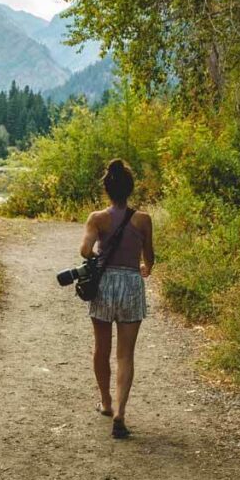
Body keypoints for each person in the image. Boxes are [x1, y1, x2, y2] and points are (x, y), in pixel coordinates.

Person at [79, 159, 155, 439]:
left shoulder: (97, 218)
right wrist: (145, 267)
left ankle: (106, 403)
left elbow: (85, 250)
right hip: (131, 285)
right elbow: (150, 258)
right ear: (130, 189)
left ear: (107, 190)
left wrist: (97, 257)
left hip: (104, 284)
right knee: (125, 354)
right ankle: (121, 411)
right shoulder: (143, 219)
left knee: (101, 347)